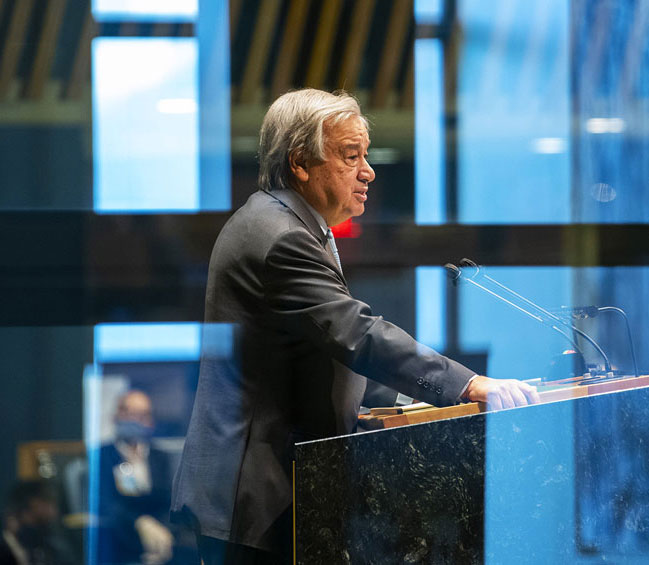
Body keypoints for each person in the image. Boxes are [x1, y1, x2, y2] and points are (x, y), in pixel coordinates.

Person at [170, 88, 539, 563]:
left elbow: (320, 354)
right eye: (351, 156)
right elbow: (356, 333)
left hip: (264, 492)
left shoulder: (293, 224)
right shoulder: (279, 236)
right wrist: (465, 384)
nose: (368, 171)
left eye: (365, 155)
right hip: (252, 498)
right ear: (301, 161)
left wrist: (406, 400)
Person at [95, 390, 175, 565]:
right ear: (117, 415)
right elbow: (105, 502)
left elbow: (169, 500)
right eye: (129, 413)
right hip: (120, 540)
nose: (135, 420)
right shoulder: (102, 456)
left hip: (161, 540)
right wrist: (139, 523)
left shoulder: (160, 457)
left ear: (151, 421)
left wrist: (161, 529)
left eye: (142, 415)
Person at [0, 481, 75, 565]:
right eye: (49, 501)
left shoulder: (50, 545)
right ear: (34, 503)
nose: (54, 508)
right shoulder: (6, 549)